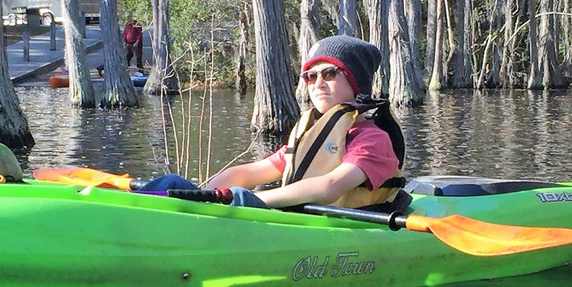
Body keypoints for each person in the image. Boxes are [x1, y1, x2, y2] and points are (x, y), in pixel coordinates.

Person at [143, 35, 404, 209]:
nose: (318, 84)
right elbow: (249, 172)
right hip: (296, 222)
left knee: (241, 198)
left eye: (329, 73)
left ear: (355, 80)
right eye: (310, 77)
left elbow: (330, 187)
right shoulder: (310, 132)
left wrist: (250, 199)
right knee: (170, 184)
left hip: (332, 231)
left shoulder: (372, 140)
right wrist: (205, 195)